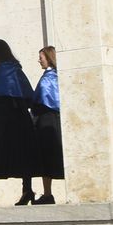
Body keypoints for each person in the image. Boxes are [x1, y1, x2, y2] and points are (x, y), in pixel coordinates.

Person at [0, 40, 36, 205]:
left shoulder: (3, 69)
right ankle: (27, 190)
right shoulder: (17, 70)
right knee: (23, 154)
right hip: (20, 118)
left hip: (3, 119)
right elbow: (28, 94)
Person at [31, 47, 63, 205]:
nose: (39, 60)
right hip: (53, 118)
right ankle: (47, 193)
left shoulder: (49, 77)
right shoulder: (56, 75)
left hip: (46, 119)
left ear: (48, 58)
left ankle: (48, 193)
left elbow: (43, 98)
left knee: (47, 155)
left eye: (41, 57)